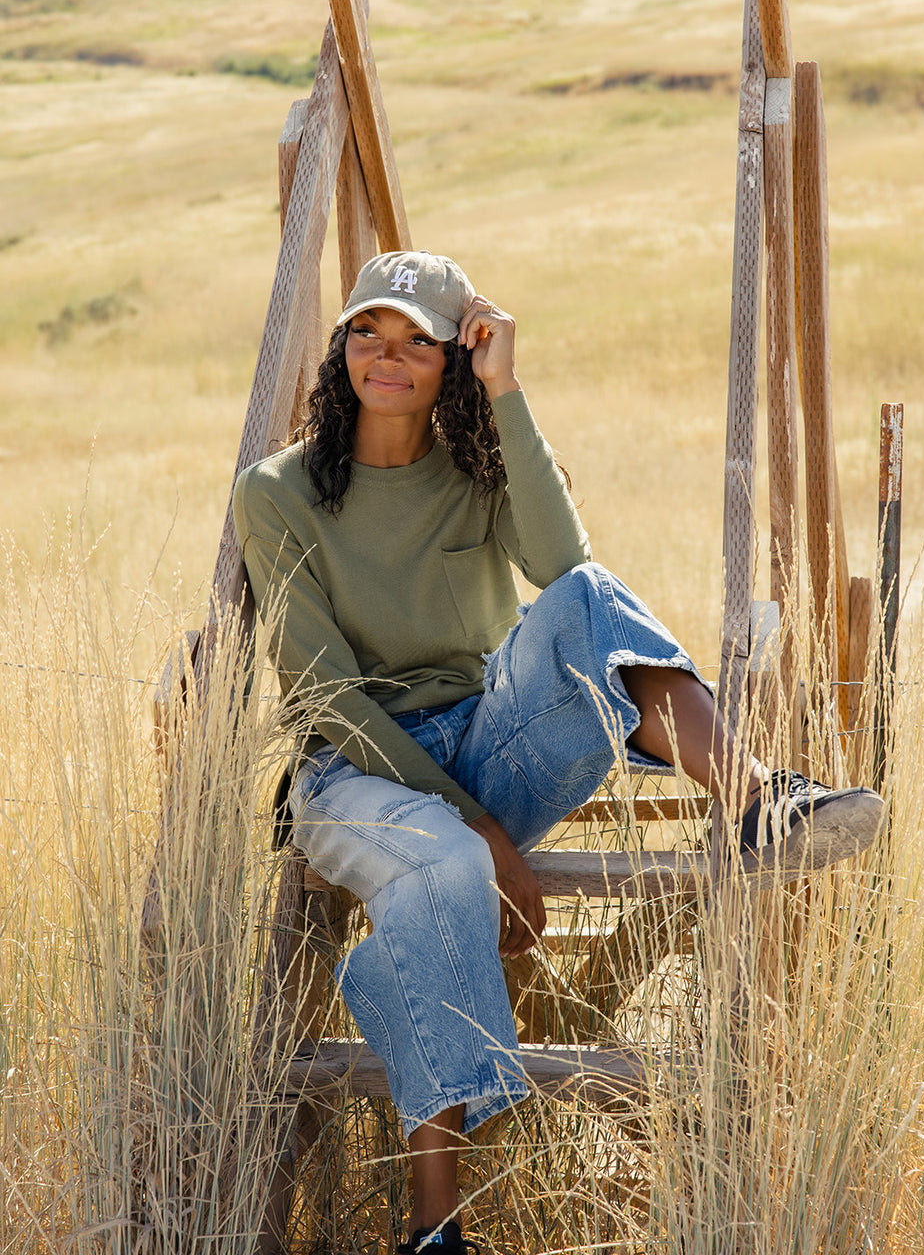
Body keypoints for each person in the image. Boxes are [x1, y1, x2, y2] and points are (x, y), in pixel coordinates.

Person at [233, 250, 885, 1255]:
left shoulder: (477, 468)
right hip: (353, 772)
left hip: (487, 738)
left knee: (586, 600)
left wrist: (506, 393)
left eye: (418, 338)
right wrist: (481, 829)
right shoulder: (276, 491)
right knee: (443, 867)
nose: (387, 356)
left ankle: (758, 799)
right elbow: (329, 693)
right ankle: (434, 1230)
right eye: (368, 330)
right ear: (343, 344)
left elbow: (565, 571)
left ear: (454, 355)